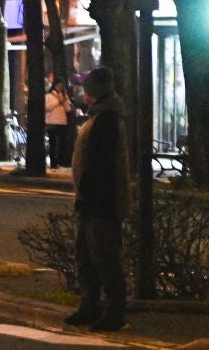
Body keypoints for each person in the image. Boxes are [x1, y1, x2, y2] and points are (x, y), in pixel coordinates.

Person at [67, 65, 128, 333]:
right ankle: (90, 305)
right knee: (87, 256)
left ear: (95, 92)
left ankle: (113, 311)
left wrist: (88, 196)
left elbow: (101, 165)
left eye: (88, 90)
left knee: (104, 257)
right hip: (92, 199)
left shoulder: (107, 119)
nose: (85, 95)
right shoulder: (100, 116)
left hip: (101, 202)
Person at [44, 76, 72, 169]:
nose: (60, 87)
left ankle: (61, 161)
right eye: (59, 85)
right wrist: (58, 102)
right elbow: (47, 107)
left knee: (62, 143)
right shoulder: (48, 96)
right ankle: (53, 163)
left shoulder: (64, 96)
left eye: (62, 86)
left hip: (62, 122)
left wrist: (65, 101)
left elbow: (68, 109)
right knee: (53, 143)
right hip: (52, 122)